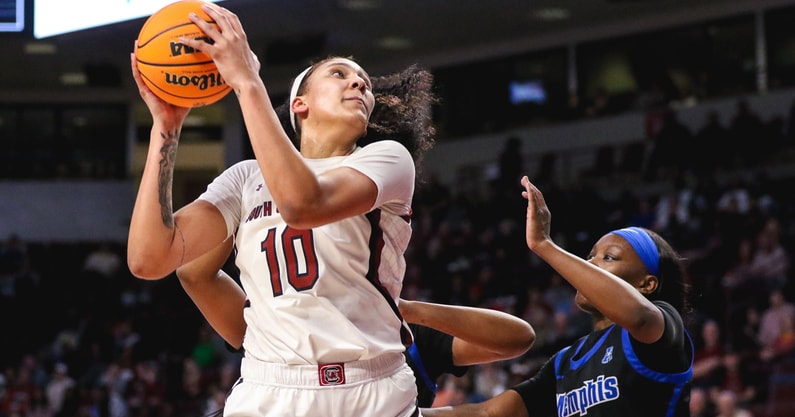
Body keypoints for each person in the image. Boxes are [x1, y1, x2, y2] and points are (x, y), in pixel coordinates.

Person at [127, 3, 435, 416]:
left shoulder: (387, 159)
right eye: (340, 74)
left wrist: (248, 81)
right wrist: (165, 128)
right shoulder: (244, 179)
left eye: (364, 82)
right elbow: (149, 258)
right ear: (299, 105)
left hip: (370, 388)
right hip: (267, 390)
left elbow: (302, 205)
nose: (360, 85)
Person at [423, 175, 694, 417]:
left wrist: (544, 245)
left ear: (647, 284)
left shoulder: (665, 331)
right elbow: (489, 412)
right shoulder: (565, 362)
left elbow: (640, 316)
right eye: (590, 257)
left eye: (609, 258)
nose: (589, 265)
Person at [175, 238, 537, 410]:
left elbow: (517, 338)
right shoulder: (277, 324)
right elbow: (193, 272)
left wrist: (408, 309)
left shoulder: (406, 337)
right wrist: (249, 204)